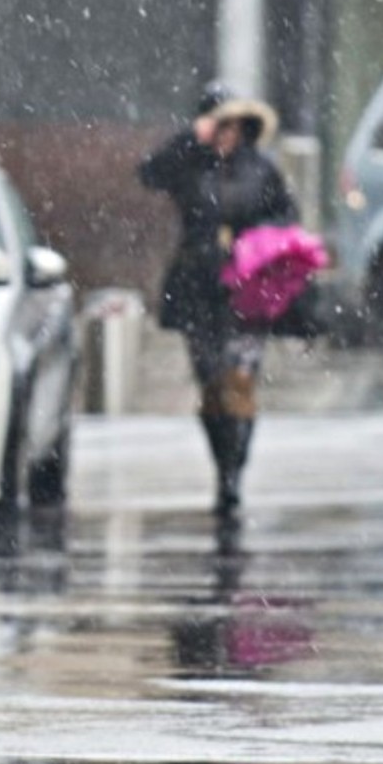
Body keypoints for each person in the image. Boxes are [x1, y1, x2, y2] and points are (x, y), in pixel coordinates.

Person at [139, 83, 296, 533]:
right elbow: (150, 173)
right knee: (210, 384)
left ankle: (234, 470)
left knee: (239, 382)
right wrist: (191, 140)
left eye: (231, 126)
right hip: (198, 289)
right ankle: (222, 463)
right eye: (217, 125)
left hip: (247, 292)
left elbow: (287, 217)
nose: (224, 134)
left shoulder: (262, 171)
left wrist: (256, 245)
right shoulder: (190, 165)